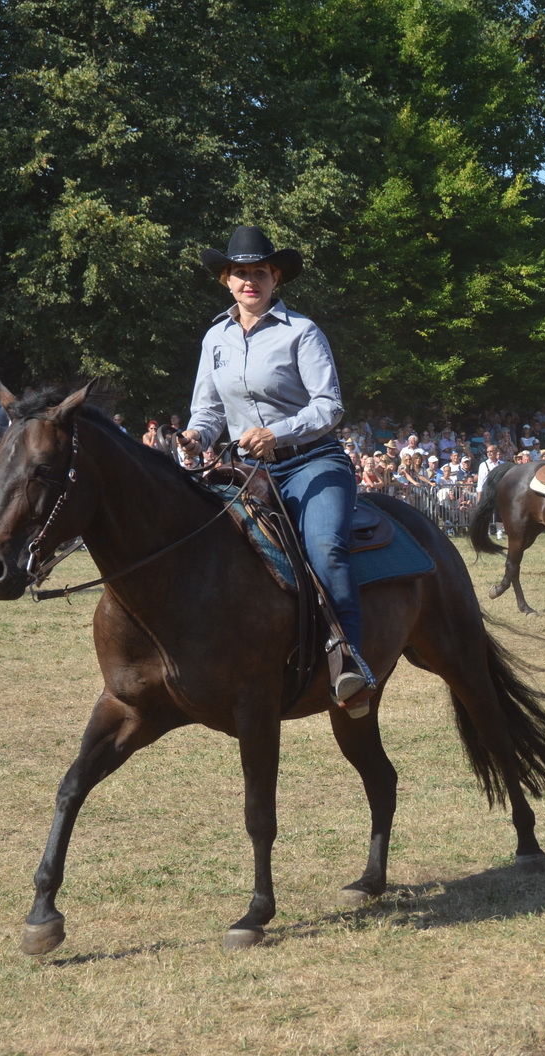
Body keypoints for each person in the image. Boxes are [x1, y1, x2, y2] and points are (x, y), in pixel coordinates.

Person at [182, 224, 371, 708]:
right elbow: (207, 410)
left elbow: (329, 407)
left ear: (275, 279)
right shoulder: (214, 339)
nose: (250, 281)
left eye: (259, 272)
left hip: (311, 461)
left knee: (326, 548)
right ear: (226, 279)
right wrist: (194, 436)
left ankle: (349, 659)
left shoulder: (302, 332)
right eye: (240, 273)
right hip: (246, 472)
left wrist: (277, 432)